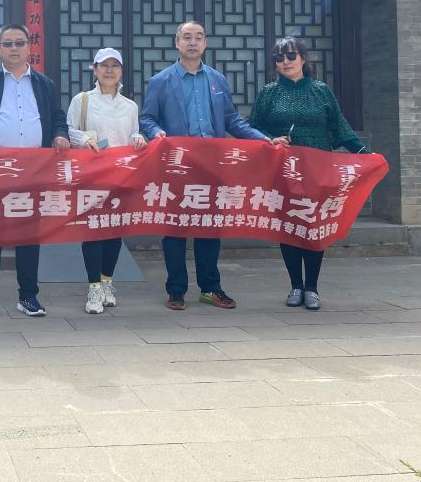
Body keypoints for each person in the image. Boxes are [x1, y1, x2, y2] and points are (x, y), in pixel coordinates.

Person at [139, 20, 286, 312]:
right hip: (178, 167)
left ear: (205, 43)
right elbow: (147, 118)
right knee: (175, 229)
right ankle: (176, 290)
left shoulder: (217, 80)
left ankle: (210, 288)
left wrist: (263, 139)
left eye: (198, 37)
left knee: (209, 227)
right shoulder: (161, 81)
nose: (192, 42)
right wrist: (156, 132)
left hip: (212, 167)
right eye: (187, 37)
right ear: (177, 42)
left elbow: (232, 120)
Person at [0, 23, 70, 320]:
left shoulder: (44, 83)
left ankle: (28, 296)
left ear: (29, 46)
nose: (14, 48)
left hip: (34, 170)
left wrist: (60, 134)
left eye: (19, 43)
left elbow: (57, 116)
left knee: (29, 235)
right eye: (7, 44)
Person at [249, 36, 368, 311]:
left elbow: (340, 128)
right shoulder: (269, 93)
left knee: (314, 226)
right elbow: (253, 128)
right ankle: (295, 285)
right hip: (283, 170)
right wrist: (271, 139)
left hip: (317, 170)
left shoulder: (321, 91)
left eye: (291, 55)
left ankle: (312, 288)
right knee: (289, 227)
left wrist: (364, 153)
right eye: (279, 58)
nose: (286, 61)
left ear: (303, 58)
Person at [66, 47, 147, 314]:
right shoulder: (82, 100)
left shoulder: (130, 106)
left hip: (121, 177)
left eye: (115, 66)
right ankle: (93, 288)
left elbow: (133, 134)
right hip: (92, 176)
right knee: (93, 232)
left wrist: (138, 139)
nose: (109, 70)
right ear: (95, 69)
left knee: (114, 232)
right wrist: (83, 139)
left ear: (121, 71)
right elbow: (69, 130)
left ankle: (107, 282)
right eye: (104, 65)